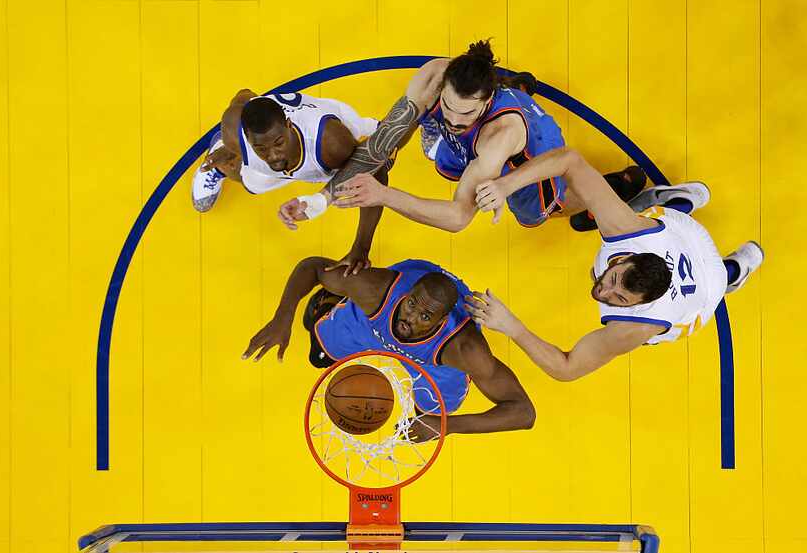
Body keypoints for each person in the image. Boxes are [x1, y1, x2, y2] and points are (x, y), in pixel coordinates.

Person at [278, 40, 642, 237]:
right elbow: (379, 146)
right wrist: (320, 200)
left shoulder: (499, 139)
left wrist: (385, 195)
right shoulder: (433, 76)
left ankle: (600, 197)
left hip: (526, 155)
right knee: (404, 132)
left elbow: (458, 217)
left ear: (486, 98)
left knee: (544, 213)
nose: (453, 119)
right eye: (448, 107)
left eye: (465, 113)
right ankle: (519, 91)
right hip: (481, 139)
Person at [464, 146, 764, 381]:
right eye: (613, 279)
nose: (604, 293)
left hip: (705, 287)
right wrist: (505, 186)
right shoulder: (627, 231)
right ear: (629, 256)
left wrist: (512, 326)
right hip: (683, 232)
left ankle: (736, 270)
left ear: (639, 304)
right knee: (651, 217)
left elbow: (567, 369)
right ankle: (682, 200)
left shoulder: (635, 327)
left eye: (620, 298)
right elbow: (570, 160)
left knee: (716, 283)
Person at [241, 256, 536, 442]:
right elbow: (313, 266)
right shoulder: (377, 290)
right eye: (411, 306)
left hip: (435, 361)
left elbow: (523, 413)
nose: (410, 318)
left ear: (441, 321)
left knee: (430, 415)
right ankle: (333, 301)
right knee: (320, 351)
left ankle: (433, 417)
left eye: (425, 317)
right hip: (372, 323)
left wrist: (447, 426)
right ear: (405, 296)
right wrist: (283, 317)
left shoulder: (464, 349)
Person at [192, 89, 387, 274]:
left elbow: (375, 177)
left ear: (288, 125)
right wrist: (230, 149)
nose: (273, 156)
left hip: (331, 144)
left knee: (372, 156)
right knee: (252, 184)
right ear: (247, 137)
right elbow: (246, 95)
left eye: (278, 143)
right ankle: (221, 162)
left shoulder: (333, 144)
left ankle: (372, 125)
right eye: (261, 148)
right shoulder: (233, 128)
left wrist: (361, 247)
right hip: (290, 157)